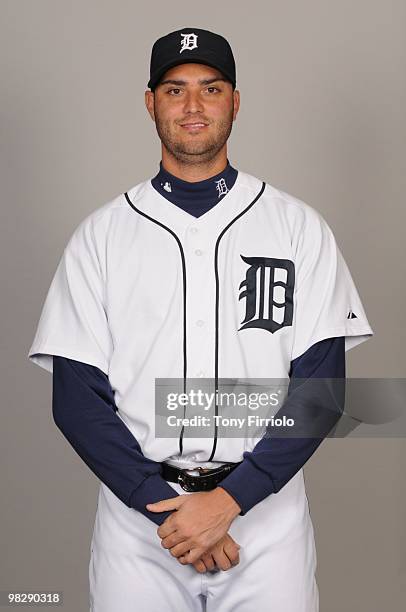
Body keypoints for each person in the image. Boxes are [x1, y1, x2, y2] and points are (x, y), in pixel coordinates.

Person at [28, 27, 374, 612]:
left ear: (235, 101)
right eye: (174, 89)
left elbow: (320, 392)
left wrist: (230, 501)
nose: (192, 106)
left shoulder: (297, 227)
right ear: (150, 103)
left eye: (210, 88)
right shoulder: (103, 236)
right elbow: (77, 401)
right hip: (139, 522)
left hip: (267, 517)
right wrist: (162, 507)